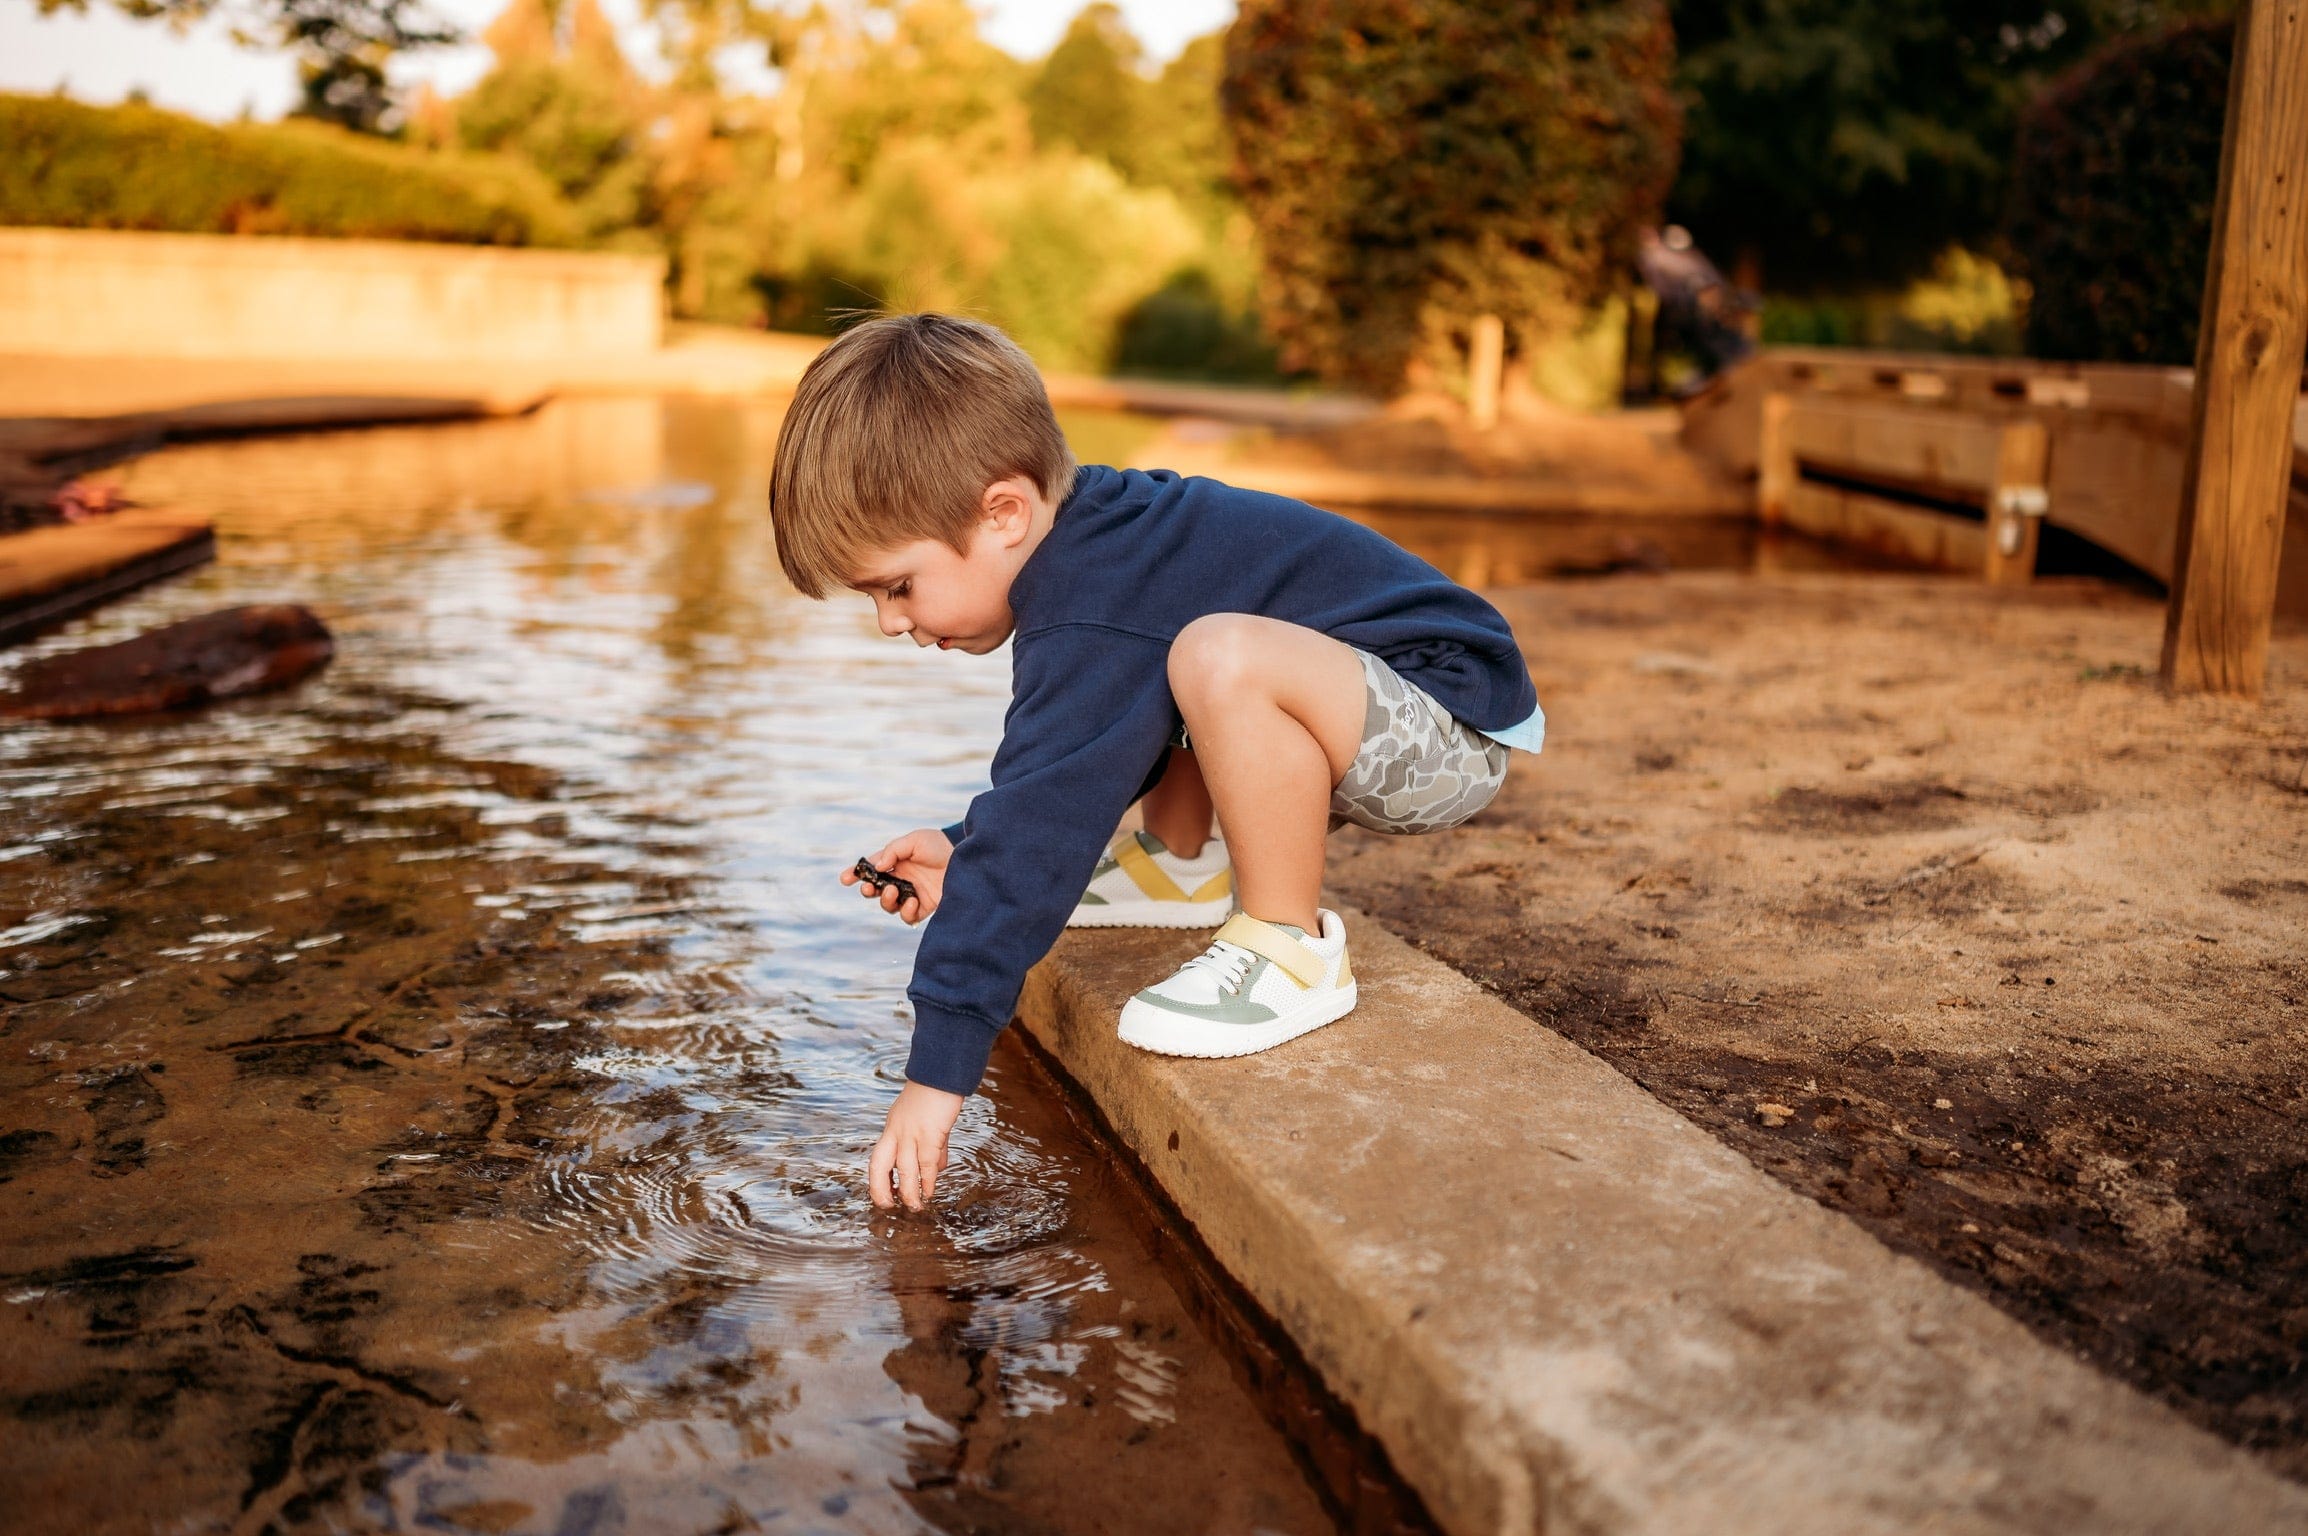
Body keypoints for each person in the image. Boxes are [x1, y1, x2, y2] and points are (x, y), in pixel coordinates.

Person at [769, 314, 1544, 1211]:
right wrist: (967, 849)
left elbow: (1044, 817)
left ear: (1004, 513)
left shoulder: (1089, 596)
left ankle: (1288, 946)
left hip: (1449, 721)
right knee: (1184, 646)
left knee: (1217, 654)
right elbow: (1080, 763)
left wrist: (934, 1079)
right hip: (1392, 701)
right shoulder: (1097, 544)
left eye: (897, 586)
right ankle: (1182, 861)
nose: (891, 622)